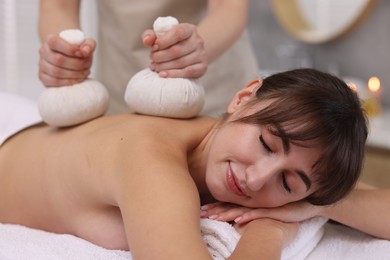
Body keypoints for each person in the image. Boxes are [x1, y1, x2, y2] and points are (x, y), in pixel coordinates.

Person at [0, 69, 387, 259]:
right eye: (267, 144)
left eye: (287, 183)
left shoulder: (224, 147)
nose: (256, 179)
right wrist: (271, 230)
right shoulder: (153, 163)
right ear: (244, 97)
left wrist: (317, 204)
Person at [38, 0, 260, 115]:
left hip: (212, 86)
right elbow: (59, 5)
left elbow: (229, 5)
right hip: (121, 86)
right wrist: (65, 51)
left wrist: (194, 49)